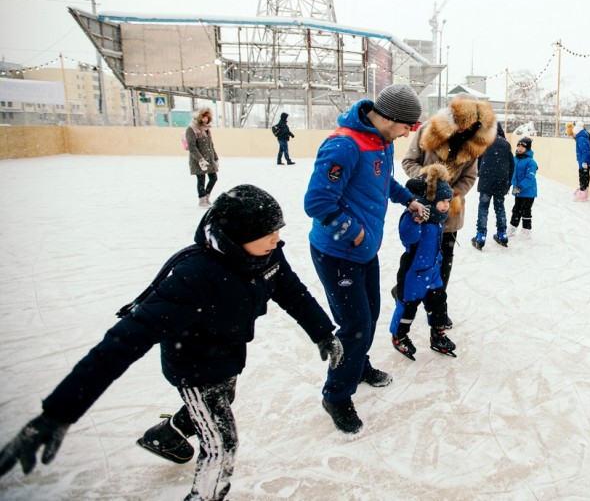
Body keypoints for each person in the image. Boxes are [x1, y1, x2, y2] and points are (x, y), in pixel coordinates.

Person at [0, 185, 344, 501]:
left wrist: (322, 331)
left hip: (228, 353)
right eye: (267, 234)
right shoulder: (194, 276)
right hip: (193, 367)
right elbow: (120, 345)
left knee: (223, 399)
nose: (277, 240)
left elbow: (293, 292)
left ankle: (166, 435)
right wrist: (57, 413)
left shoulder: (266, 256)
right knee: (221, 445)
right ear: (237, 237)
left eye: (278, 230)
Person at [304, 84, 427, 435]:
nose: (408, 134)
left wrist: (408, 200)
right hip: (337, 252)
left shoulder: (381, 142)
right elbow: (317, 203)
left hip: (364, 251)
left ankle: (357, 367)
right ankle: (336, 395)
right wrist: (353, 230)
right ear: (388, 118)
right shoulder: (344, 145)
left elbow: (383, 181)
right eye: (408, 127)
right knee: (355, 325)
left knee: (369, 316)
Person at [402, 94, 496, 331]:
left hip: (450, 215)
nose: (466, 129)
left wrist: (450, 195)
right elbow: (408, 162)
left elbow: (470, 176)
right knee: (416, 260)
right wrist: (427, 182)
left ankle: (437, 310)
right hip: (421, 210)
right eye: (464, 124)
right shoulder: (428, 130)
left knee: (443, 264)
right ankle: (404, 296)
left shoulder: (474, 143)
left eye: (472, 126)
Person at [390, 164, 457, 360]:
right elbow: (407, 239)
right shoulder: (416, 215)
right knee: (407, 307)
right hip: (414, 272)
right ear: (431, 198)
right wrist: (414, 221)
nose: (446, 205)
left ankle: (437, 334)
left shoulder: (437, 218)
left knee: (438, 305)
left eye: (448, 201)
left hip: (433, 270)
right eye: (442, 201)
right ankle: (399, 336)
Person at [471, 122, 514, 250]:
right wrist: (508, 182)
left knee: (483, 207)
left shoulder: (485, 142)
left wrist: (481, 173)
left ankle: (480, 236)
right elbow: (511, 165)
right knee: (499, 207)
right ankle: (502, 234)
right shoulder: (506, 144)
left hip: (486, 180)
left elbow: (478, 161)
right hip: (501, 181)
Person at [186, 106, 219, 207]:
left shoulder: (207, 129)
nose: (206, 119)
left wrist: (215, 157)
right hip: (198, 159)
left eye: (208, 117)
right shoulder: (191, 129)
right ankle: (202, 200)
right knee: (201, 179)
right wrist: (200, 159)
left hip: (209, 158)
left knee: (213, 178)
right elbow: (192, 146)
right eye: (204, 117)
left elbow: (211, 145)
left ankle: (207, 197)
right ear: (200, 117)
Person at [507, 136, 538, 240]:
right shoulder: (515, 159)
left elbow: (530, 176)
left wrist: (521, 187)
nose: (520, 148)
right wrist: (510, 185)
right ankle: (512, 228)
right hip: (517, 190)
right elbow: (512, 174)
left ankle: (526, 230)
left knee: (525, 210)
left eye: (522, 147)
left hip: (528, 191)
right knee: (516, 209)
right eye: (518, 146)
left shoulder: (531, 162)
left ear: (527, 148)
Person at [566, 121, 590, 201]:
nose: (573, 135)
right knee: (583, 176)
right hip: (582, 161)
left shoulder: (581, 139)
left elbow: (585, 151)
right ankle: (583, 191)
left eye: (573, 134)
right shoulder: (580, 138)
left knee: (583, 176)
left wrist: (584, 162)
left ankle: (583, 193)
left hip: (584, 162)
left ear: (576, 132)